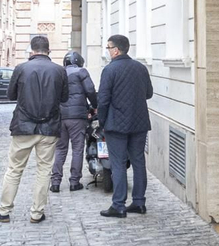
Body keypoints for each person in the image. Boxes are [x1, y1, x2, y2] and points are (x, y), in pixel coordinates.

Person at [0, 35, 68, 225]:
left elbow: (10, 95)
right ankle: (36, 212)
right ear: (48, 50)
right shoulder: (59, 70)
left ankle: (4, 210)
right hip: (49, 127)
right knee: (44, 171)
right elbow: (64, 98)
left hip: (23, 127)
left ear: (32, 50)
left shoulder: (21, 68)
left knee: (14, 169)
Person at [97, 34, 153, 219]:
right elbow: (149, 93)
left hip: (116, 124)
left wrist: (102, 122)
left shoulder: (109, 70)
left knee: (118, 164)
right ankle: (139, 202)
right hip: (139, 122)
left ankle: (118, 205)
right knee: (138, 162)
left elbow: (103, 100)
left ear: (116, 50)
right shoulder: (140, 68)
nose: (108, 50)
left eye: (108, 47)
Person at [51, 50, 97, 193]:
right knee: (77, 149)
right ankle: (74, 182)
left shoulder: (58, 73)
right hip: (77, 117)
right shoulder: (81, 72)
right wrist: (95, 106)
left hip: (60, 117)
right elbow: (90, 90)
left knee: (60, 149)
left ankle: (55, 182)